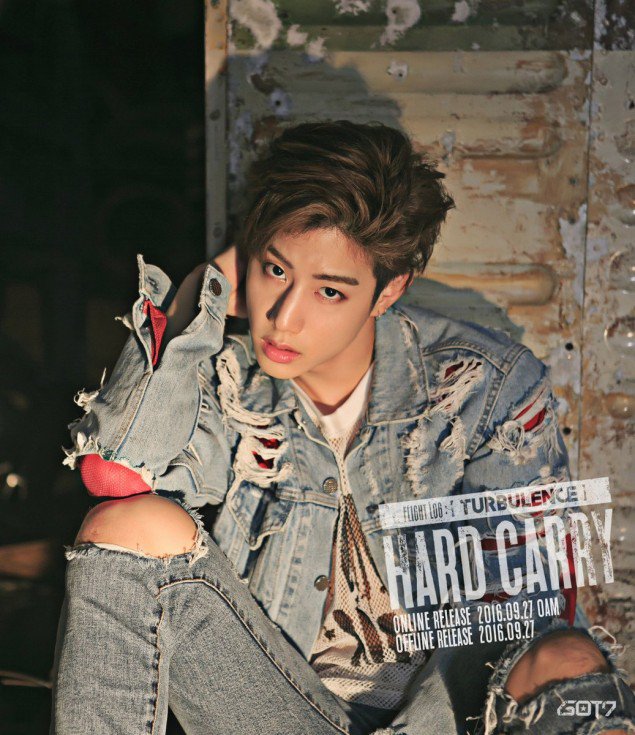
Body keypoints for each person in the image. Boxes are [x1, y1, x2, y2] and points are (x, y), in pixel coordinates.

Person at [50, 121, 634, 735]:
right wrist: (195, 300)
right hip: (281, 713)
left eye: (329, 291)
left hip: (442, 717)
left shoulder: (484, 388)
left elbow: (521, 611)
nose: (284, 318)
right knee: (126, 526)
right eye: (276, 271)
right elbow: (114, 472)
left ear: (389, 291)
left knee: (568, 656)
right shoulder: (228, 380)